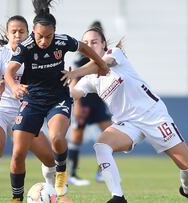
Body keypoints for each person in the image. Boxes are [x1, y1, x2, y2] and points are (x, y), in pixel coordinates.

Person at [61, 27, 188, 203]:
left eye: (94, 42)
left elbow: (102, 65)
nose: (90, 45)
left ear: (103, 44)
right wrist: (67, 80)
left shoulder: (114, 53)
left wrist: (75, 72)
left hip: (153, 116)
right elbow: (73, 95)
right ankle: (118, 197)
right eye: (85, 43)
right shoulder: (89, 79)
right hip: (127, 123)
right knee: (101, 146)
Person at [4, 0, 108, 202]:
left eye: (48, 36)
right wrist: (15, 86)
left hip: (58, 98)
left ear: (55, 32)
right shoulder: (25, 47)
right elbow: (9, 72)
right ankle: (16, 198)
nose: (43, 41)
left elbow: (84, 47)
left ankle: (61, 180)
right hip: (32, 99)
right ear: (33, 31)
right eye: (39, 36)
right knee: (18, 152)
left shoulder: (62, 41)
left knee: (57, 138)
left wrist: (101, 63)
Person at [0, 15, 56, 203]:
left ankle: (53, 193)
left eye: (21, 31)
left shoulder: (34, 53)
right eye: (13, 31)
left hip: (23, 111)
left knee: (49, 158)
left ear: (28, 33)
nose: (17, 35)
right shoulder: (0, 53)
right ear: (7, 34)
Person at [68, 21, 113, 186]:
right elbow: (74, 80)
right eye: (88, 41)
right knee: (77, 137)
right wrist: (77, 105)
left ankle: (102, 172)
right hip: (84, 102)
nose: (92, 44)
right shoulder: (81, 60)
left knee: (110, 133)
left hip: (99, 103)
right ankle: (71, 174)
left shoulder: (109, 57)